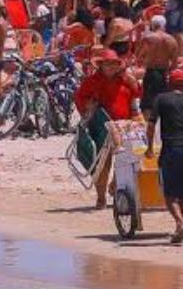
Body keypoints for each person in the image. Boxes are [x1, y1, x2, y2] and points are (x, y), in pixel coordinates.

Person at [74, 50, 142, 208]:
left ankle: (114, 185)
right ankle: (101, 197)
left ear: (119, 65)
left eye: (114, 63)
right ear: (101, 65)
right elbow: (80, 98)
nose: (111, 66)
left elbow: (137, 95)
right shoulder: (92, 81)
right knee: (103, 163)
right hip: (100, 127)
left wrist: (133, 83)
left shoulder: (126, 80)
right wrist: (88, 106)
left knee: (125, 161)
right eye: (107, 63)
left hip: (124, 125)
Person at [146, 68, 183, 243]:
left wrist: (149, 148)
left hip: (171, 149)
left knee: (169, 193)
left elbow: (151, 124)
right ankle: (179, 228)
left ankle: (179, 221)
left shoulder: (161, 99)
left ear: (169, 82)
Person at [137, 15, 180, 119]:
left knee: (147, 103)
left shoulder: (148, 38)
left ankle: (148, 126)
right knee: (162, 101)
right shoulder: (171, 40)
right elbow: (174, 62)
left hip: (151, 72)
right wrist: (168, 71)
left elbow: (138, 56)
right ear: (164, 25)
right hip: (163, 73)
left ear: (153, 24)